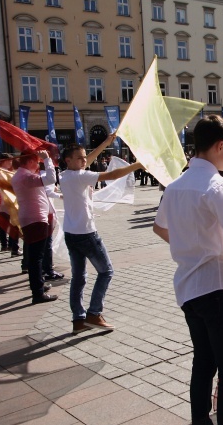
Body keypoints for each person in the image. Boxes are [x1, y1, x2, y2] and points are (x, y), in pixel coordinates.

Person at [153, 115, 223, 425]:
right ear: (220, 145)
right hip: (218, 285)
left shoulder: (176, 185)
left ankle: (200, 421)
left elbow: (159, 227)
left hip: (188, 288)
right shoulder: (217, 186)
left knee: (204, 362)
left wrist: (186, 245)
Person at [60, 135, 143, 334]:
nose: (84, 160)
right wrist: (137, 165)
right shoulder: (80, 176)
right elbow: (113, 176)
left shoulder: (65, 175)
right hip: (87, 234)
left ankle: (78, 319)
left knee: (78, 278)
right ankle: (94, 313)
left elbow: (88, 160)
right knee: (106, 272)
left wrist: (105, 143)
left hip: (71, 232)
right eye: (79, 158)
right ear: (68, 160)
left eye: (83, 157)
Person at [11, 150, 58, 304]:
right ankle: (37, 293)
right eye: (37, 161)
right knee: (36, 258)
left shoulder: (20, 175)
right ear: (30, 161)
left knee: (35, 256)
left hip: (31, 218)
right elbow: (51, 178)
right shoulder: (25, 176)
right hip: (36, 218)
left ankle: (39, 285)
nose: (38, 164)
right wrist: (47, 159)